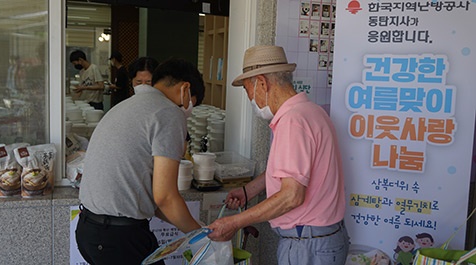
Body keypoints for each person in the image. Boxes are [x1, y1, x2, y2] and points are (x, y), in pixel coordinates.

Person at [207, 45, 349, 265]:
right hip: (321, 239)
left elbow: (292, 196)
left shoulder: (293, 122)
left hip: (307, 244)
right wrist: (248, 190)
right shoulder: (312, 111)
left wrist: (235, 222)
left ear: (262, 83)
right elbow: (291, 172)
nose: (250, 99)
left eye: (248, 90)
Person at [75, 57, 205, 265]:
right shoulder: (168, 112)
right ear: (185, 88)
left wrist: (196, 226)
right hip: (119, 238)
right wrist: (203, 237)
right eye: (190, 103)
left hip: (89, 231)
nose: (187, 111)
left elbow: (151, 198)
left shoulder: (125, 106)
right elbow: (165, 197)